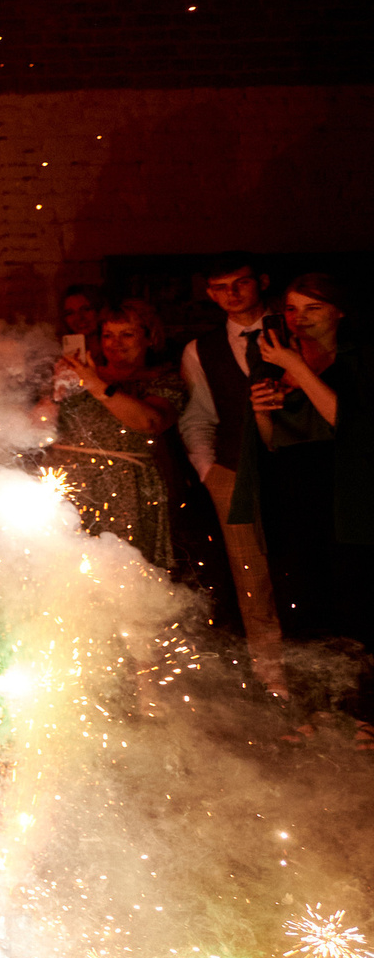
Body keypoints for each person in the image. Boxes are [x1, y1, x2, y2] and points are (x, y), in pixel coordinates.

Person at [178, 254, 286, 695]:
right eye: (220, 288)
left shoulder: (291, 327)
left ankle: (326, 674)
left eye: (239, 284)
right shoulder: (200, 349)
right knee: (251, 579)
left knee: (299, 571)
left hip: (299, 470)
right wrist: (210, 473)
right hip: (232, 473)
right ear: (209, 293)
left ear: (260, 282)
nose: (231, 295)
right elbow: (198, 416)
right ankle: (273, 678)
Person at [43, 300, 187, 571]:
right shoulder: (80, 376)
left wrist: (95, 384)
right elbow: (36, 427)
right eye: (108, 335)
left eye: (127, 334)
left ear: (149, 338)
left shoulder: (163, 380)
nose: (115, 343)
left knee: (122, 574)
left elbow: (149, 421)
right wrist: (56, 393)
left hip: (124, 489)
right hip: (67, 484)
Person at [250, 275, 348, 643]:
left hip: (345, 494)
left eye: (313, 309)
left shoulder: (357, 361)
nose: (299, 318)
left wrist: (299, 367)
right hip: (291, 496)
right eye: (291, 309)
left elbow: (347, 422)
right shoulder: (275, 367)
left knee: (350, 597)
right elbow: (271, 443)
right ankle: (310, 695)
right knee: (301, 603)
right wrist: (261, 413)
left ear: (339, 313)